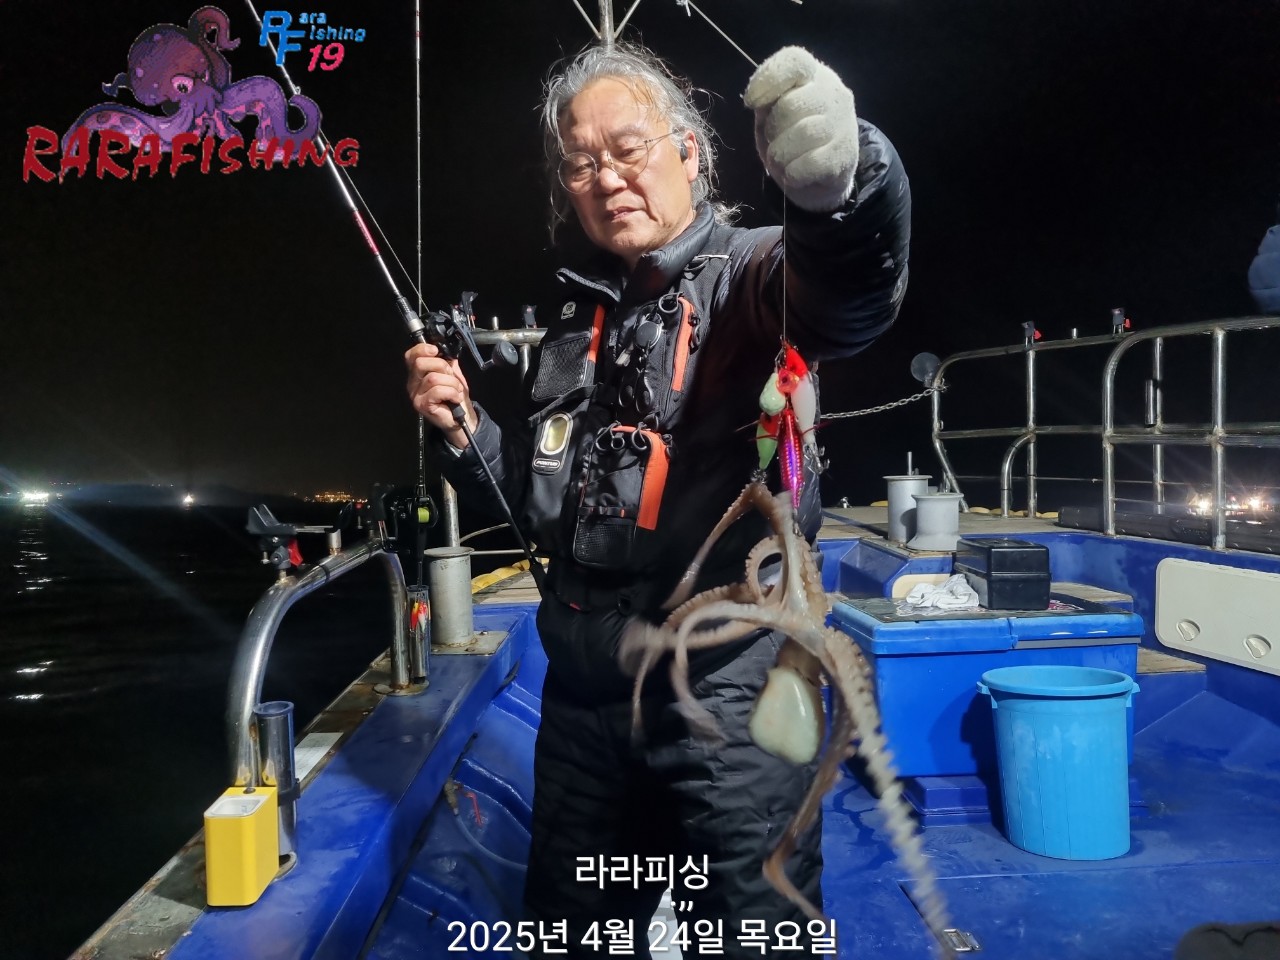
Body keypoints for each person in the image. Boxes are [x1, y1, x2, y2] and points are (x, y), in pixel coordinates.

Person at [406, 41, 910, 957]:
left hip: (730, 699)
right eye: (580, 164)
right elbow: (539, 509)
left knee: (760, 936)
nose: (606, 178)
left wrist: (844, 190)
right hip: (584, 709)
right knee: (577, 937)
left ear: (690, 150)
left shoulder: (754, 276)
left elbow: (846, 292)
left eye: (628, 149)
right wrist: (465, 428)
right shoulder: (576, 321)